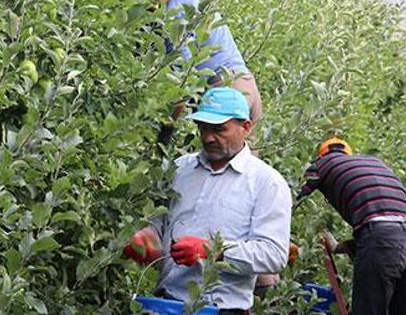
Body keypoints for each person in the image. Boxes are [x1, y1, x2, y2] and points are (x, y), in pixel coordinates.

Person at [124, 87, 291, 314]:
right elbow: (160, 222)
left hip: (222, 309)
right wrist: (146, 237)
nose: (208, 137)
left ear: (246, 127)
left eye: (219, 129)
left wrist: (213, 251)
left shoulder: (267, 183)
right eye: (203, 128)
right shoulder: (180, 168)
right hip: (167, 304)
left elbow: (273, 256)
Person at [296, 137, 406, 315]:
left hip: (383, 239)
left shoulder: (321, 164)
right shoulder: (376, 163)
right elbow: (392, 227)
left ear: (322, 155)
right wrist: (338, 247)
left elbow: (291, 195)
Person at [159, 0, 263, 128]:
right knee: (246, 149)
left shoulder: (176, 9)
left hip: (224, 93)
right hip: (244, 83)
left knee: (219, 144)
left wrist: (165, 131)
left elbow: (184, 79)